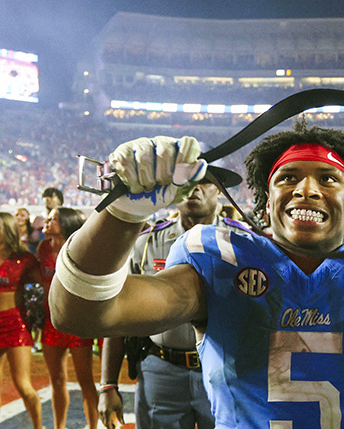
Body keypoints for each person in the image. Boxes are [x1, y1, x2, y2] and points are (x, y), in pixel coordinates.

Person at [49, 123, 344, 429]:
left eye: (329, 178)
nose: (306, 189)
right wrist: (121, 214)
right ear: (264, 201)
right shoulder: (218, 255)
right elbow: (81, 313)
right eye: (288, 177)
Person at [98, 177, 239, 429]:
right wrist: (108, 384)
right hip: (161, 370)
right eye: (186, 180)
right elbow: (118, 315)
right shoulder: (145, 242)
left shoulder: (244, 242)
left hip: (227, 370)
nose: (194, 187)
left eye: (205, 181)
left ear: (219, 189)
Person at [38, 207, 98, 429]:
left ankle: (93, 426)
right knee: (56, 379)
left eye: (53, 218)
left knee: (85, 380)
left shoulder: (80, 247)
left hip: (76, 322)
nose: (47, 221)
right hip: (50, 321)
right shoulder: (43, 248)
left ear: (66, 222)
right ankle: (59, 426)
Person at [0, 211, 43, 429]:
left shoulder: (25, 259)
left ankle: (38, 426)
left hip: (16, 324)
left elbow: (44, 285)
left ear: (7, 229)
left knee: (23, 385)